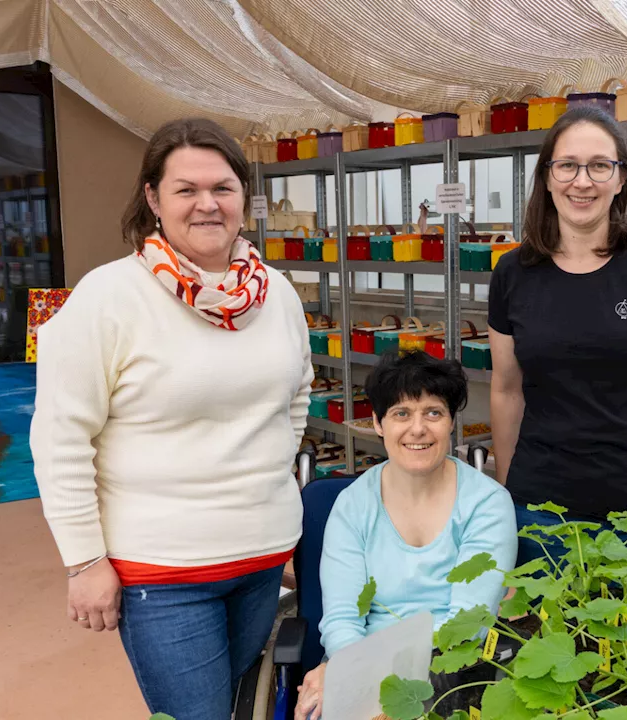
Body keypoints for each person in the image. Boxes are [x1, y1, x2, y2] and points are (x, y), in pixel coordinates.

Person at [30, 118, 314, 720]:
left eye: (223, 187)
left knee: (240, 703)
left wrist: (266, 473)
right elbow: (60, 439)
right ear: (154, 199)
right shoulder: (108, 298)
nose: (207, 204)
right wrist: (84, 561)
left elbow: (297, 394)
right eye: (186, 189)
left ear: (244, 198)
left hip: (261, 559)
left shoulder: (276, 293)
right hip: (162, 573)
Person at [487, 105, 627, 568]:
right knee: (551, 637)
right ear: (547, 178)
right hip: (541, 509)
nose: (581, 181)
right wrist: (509, 495)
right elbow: (506, 391)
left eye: (599, 166)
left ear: (621, 178)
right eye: (566, 165)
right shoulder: (513, 272)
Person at [295, 352, 518, 720]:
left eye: (433, 412)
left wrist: (388, 687)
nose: (418, 428)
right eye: (401, 413)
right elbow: (341, 618)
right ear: (377, 423)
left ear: (450, 423)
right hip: (356, 659)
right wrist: (355, 679)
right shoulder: (353, 505)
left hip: (453, 666)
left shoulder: (487, 504)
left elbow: (468, 624)